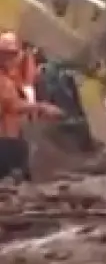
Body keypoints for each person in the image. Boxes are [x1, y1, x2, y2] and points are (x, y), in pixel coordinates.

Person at [0, 32, 60, 180]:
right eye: (10, 55)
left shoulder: (11, 78)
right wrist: (42, 107)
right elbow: (13, 105)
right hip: (5, 141)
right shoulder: (3, 81)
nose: (14, 59)